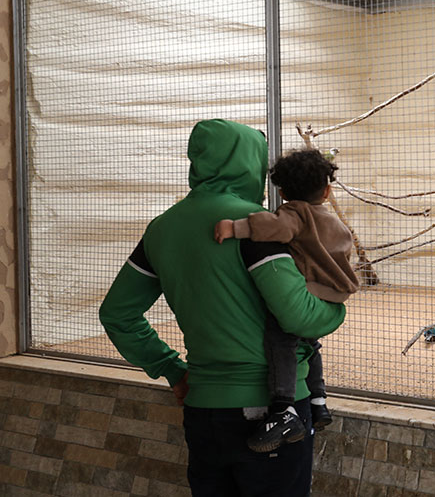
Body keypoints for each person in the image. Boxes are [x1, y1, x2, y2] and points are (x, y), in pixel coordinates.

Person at [99, 119, 346, 496]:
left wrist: (171, 369)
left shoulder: (162, 228)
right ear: (250, 164)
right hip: (272, 411)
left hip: (203, 410)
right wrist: (338, 310)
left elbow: (117, 313)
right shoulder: (256, 225)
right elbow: (298, 316)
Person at [214, 148, 360, 452]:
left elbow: (275, 228)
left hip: (312, 289)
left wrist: (236, 227)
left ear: (281, 192)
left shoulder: (296, 214)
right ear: (327, 189)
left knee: (281, 336)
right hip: (336, 292)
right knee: (309, 343)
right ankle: (318, 401)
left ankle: (283, 408)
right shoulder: (331, 220)